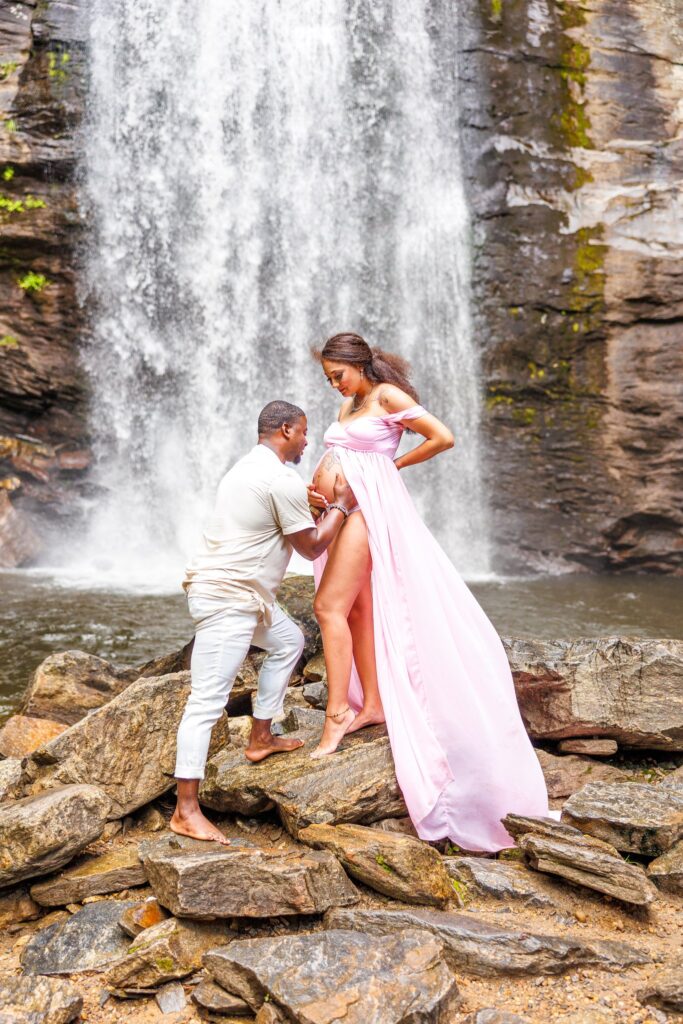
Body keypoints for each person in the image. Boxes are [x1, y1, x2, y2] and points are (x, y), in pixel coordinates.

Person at [308, 333, 552, 852]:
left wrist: (387, 471)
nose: (334, 384)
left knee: (328, 606)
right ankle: (372, 703)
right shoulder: (352, 402)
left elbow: (442, 437)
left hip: (368, 512)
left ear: (358, 364)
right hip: (344, 511)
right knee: (357, 610)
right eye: (329, 378)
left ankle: (335, 719)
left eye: (338, 374)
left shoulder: (387, 397)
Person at [170, 400, 356, 845]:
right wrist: (342, 507)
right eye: (305, 432)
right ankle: (185, 810)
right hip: (228, 598)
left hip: (243, 597)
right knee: (206, 702)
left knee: (288, 640)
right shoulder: (279, 479)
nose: (309, 442)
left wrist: (310, 506)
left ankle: (260, 736)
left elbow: (273, 523)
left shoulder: (246, 470)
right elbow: (312, 548)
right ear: (286, 430)